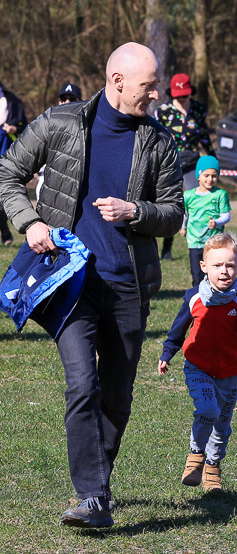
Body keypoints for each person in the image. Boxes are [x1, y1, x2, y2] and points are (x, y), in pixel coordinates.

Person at [0, 42, 184, 528]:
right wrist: (30, 222)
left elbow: (174, 214)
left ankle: (96, 488)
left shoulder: (159, 141)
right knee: (83, 383)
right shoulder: (61, 122)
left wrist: (135, 211)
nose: (156, 95)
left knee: (117, 397)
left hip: (129, 286)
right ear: (117, 81)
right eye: (149, 86)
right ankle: (93, 496)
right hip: (70, 281)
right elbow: (7, 173)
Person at [158, 232, 237, 493]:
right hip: (199, 367)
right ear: (204, 266)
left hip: (231, 372)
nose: (224, 271)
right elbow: (178, 330)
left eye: (230, 265)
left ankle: (212, 468)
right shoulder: (194, 297)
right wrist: (167, 353)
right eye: (217, 265)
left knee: (222, 425)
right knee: (208, 410)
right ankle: (196, 455)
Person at [156, 72, 211, 260]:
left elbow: (204, 135)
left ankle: (199, 247)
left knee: (198, 204)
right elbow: (157, 138)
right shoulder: (163, 111)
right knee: (172, 204)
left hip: (192, 163)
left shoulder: (199, 109)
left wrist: (212, 158)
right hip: (170, 163)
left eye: (185, 95)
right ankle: (167, 249)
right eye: (178, 96)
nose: (182, 99)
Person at [181, 155, 231, 286]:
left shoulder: (220, 194)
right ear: (198, 176)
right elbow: (186, 214)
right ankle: (198, 296)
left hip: (214, 242)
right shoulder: (188, 195)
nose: (210, 179)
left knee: (213, 275)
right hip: (194, 241)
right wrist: (183, 227)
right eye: (206, 175)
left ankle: (214, 296)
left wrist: (217, 223)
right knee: (196, 275)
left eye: (214, 176)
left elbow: (226, 216)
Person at [0, 80, 28, 245]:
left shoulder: (12, 100)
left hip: (6, 149)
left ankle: (6, 229)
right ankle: (5, 231)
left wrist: (14, 129)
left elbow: (25, 126)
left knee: (3, 195)